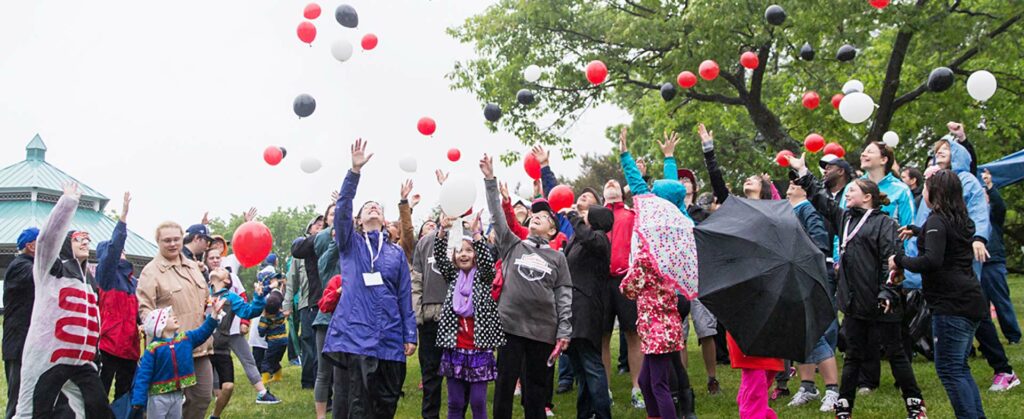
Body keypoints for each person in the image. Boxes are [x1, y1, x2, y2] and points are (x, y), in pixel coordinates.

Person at [905, 123, 1018, 392]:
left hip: (958, 256)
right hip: (938, 259)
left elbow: (979, 213)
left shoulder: (966, 181)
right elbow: (927, 220)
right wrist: (913, 243)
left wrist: (979, 238)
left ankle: (1003, 369)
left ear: (959, 154)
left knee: (968, 309)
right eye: (938, 151)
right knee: (956, 311)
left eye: (947, 149)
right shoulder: (934, 183)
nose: (941, 153)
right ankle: (962, 363)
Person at [805, 176, 926, 418]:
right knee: (853, 356)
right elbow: (823, 202)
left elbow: (890, 261)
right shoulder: (846, 219)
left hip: (883, 302)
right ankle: (844, 406)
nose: (847, 194)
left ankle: (915, 404)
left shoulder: (885, 223)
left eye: (852, 191)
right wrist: (803, 174)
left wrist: (888, 291)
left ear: (867, 197)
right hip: (854, 303)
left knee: (896, 354)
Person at [324, 139, 417, 419]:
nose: (373, 208)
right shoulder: (349, 244)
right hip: (358, 334)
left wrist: (409, 333)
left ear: (385, 218)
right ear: (359, 219)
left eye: (377, 206)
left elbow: (404, 294)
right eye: (368, 208)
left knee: (386, 404)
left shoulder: (394, 253)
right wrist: (354, 172)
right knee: (360, 404)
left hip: (390, 334)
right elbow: (341, 210)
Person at [891, 169, 988, 418]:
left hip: (951, 304)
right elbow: (945, 240)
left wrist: (900, 259)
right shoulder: (961, 219)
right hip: (971, 299)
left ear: (934, 193)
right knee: (960, 368)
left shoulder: (936, 221)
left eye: (925, 188)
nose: (922, 192)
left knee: (950, 370)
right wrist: (918, 230)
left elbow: (931, 260)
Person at [481, 153, 572, 419]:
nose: (536, 217)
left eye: (543, 217)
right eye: (534, 215)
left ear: (553, 231)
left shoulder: (558, 258)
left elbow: (564, 295)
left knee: (535, 390)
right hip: (510, 326)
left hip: (542, 331)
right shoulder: (512, 245)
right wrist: (490, 180)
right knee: (505, 386)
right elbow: (498, 217)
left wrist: (564, 330)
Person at [619, 129, 698, 419]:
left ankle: (676, 413)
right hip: (670, 306)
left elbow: (638, 184)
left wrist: (626, 154)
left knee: (660, 382)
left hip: (657, 313)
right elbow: (672, 189)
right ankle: (685, 410)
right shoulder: (680, 221)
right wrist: (668, 159)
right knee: (653, 378)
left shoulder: (652, 234)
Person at [15, 183, 112, 418]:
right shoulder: (49, 269)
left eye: (88, 239)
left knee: (97, 410)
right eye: (79, 238)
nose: (85, 242)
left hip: (83, 361)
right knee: (32, 411)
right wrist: (68, 203)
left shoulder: (90, 281)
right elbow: (47, 240)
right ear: (66, 243)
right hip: (48, 358)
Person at [137, 219, 214, 419]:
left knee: (203, 397)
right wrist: (162, 335)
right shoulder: (150, 272)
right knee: (165, 405)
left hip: (199, 345)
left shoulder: (193, 266)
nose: (172, 244)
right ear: (158, 242)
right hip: (170, 352)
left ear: (182, 239)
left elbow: (206, 298)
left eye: (176, 239)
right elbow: (145, 310)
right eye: (167, 240)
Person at [783, 156, 842, 412]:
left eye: (795, 182)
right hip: (793, 276)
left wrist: (802, 260)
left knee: (816, 332)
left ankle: (832, 391)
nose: (791, 185)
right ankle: (807, 386)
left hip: (811, 275)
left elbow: (820, 242)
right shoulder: (788, 211)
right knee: (800, 334)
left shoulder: (808, 209)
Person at [433, 215, 504, 419]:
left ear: (475, 255)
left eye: (468, 250)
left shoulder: (483, 277)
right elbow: (439, 256)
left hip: (478, 348)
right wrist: (441, 231)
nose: (464, 254)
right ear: (454, 256)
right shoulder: (453, 276)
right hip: (455, 348)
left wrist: (476, 235)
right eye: (459, 251)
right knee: (455, 402)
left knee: (478, 402)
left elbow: (488, 263)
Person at [205, 260, 280, 416]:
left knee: (227, 388)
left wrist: (259, 298)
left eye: (222, 270)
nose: (218, 267)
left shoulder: (230, 297)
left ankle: (215, 415)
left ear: (226, 280)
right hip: (201, 349)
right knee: (204, 393)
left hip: (220, 348)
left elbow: (249, 311)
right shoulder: (202, 292)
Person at [561, 203, 615, 419]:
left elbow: (587, 237)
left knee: (591, 366)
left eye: (587, 215)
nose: (583, 216)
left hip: (586, 311)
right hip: (573, 309)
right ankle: (584, 414)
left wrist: (574, 217)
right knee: (581, 371)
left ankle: (603, 414)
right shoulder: (580, 241)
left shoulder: (600, 239)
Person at [129, 299, 225, 419]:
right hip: (157, 397)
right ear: (160, 325)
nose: (174, 316)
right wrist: (138, 400)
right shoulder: (153, 349)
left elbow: (203, 332)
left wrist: (214, 315)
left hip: (178, 394)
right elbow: (143, 375)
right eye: (169, 316)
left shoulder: (185, 339)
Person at [412, 172, 457, 419]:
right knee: (430, 374)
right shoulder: (424, 243)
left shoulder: (461, 238)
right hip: (430, 317)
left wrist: (446, 187)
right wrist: (417, 313)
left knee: (456, 373)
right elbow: (416, 280)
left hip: (455, 315)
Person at [95, 193, 140, 403]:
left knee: (125, 395)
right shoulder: (107, 275)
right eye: (116, 250)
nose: (121, 252)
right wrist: (123, 218)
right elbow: (112, 249)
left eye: (123, 250)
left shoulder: (134, 282)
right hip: (109, 345)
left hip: (130, 348)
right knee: (101, 391)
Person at [980, 169, 1021, 345]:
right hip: (977, 264)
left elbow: (1000, 206)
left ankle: (1013, 336)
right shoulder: (973, 216)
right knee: (981, 306)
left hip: (993, 262)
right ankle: (987, 341)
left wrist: (989, 186)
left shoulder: (993, 215)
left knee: (1001, 301)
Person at [3, 227, 38, 419]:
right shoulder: (19, 266)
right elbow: (39, 272)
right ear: (31, 246)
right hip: (18, 345)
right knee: (17, 401)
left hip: (29, 344)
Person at [289, 215, 326, 389]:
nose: (320, 226)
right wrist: (287, 305)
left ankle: (322, 379)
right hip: (306, 303)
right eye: (316, 225)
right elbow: (292, 281)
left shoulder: (327, 247)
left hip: (326, 301)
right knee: (309, 342)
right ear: (309, 229)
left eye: (322, 225)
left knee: (322, 343)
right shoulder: (301, 251)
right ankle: (308, 382)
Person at [258, 282, 289, 384]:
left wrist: (263, 317)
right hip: (284, 341)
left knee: (267, 361)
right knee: (275, 360)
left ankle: (264, 380)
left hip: (273, 342)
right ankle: (277, 377)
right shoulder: (280, 315)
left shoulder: (266, 319)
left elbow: (261, 332)